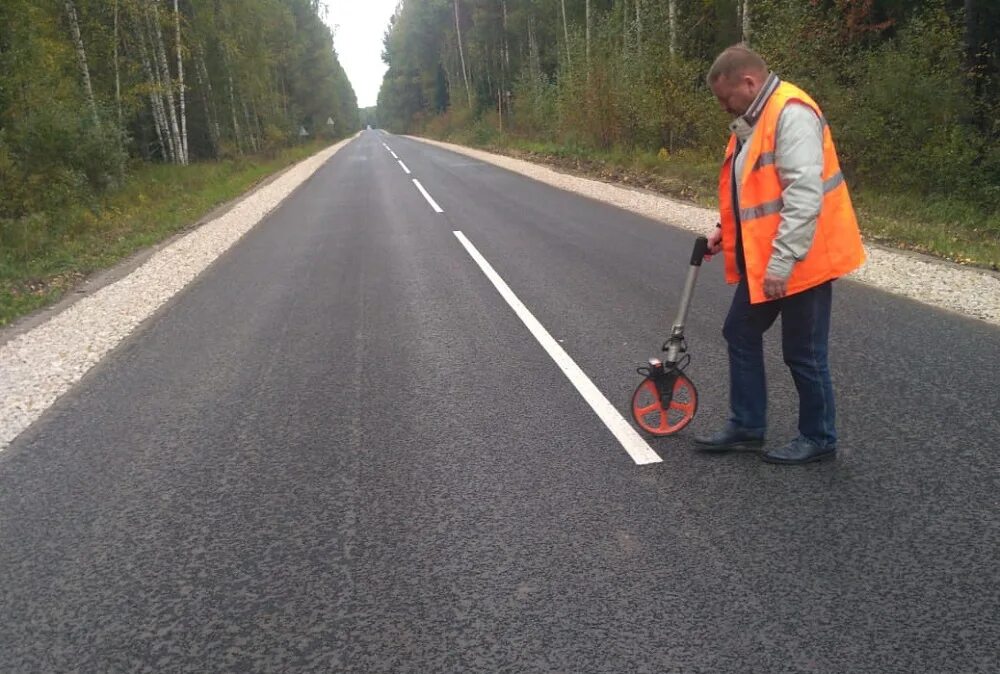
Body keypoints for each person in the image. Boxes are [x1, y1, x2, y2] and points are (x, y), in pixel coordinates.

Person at [696, 45, 865, 464]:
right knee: (740, 331)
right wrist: (725, 231)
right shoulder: (753, 121)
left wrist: (783, 261)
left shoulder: (791, 114)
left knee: (804, 352)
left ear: (749, 83)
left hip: (803, 259)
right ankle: (748, 426)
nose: (722, 107)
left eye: (725, 97)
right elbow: (755, 191)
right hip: (770, 257)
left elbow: (805, 197)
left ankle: (819, 438)